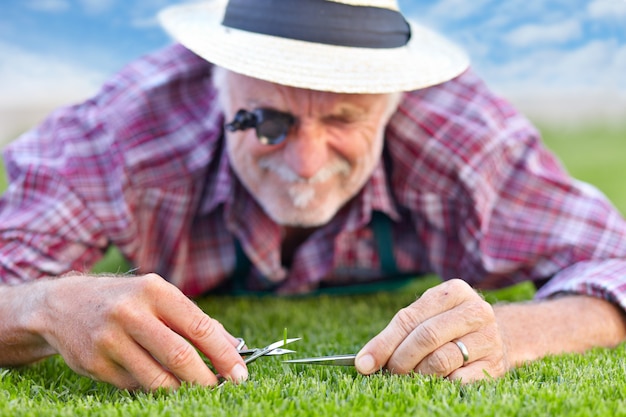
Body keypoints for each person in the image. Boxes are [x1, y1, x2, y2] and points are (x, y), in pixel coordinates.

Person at [1, 0, 625, 392]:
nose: (305, 164)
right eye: (266, 122)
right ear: (218, 83)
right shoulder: (124, 132)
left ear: (393, 102)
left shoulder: (462, 135)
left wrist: (515, 333)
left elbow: (615, 263)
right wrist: (47, 307)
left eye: (344, 121)